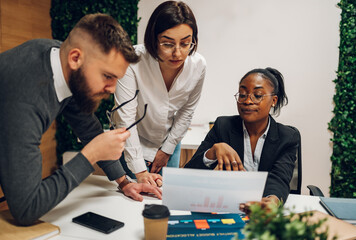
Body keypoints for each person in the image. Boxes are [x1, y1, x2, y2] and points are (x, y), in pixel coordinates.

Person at [0, 13, 162, 226]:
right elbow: (27, 209)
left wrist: (124, 182)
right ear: (75, 58)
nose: (112, 89)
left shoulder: (62, 60)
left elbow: (88, 127)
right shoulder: (26, 97)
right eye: (107, 76)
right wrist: (91, 154)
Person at [113, 1, 206, 185]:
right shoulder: (132, 61)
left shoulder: (198, 65)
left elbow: (187, 111)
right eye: (167, 44)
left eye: (185, 43)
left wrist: (166, 150)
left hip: (169, 140)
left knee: (165, 198)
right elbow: (126, 121)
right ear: (153, 39)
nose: (177, 53)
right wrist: (140, 171)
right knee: (134, 197)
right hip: (133, 140)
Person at [184, 67, 300, 209]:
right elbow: (189, 174)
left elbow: (280, 178)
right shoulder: (223, 126)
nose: (247, 101)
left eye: (257, 95)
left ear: (273, 100)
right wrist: (212, 152)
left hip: (262, 211)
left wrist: (272, 201)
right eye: (243, 94)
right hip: (227, 207)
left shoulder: (287, 137)